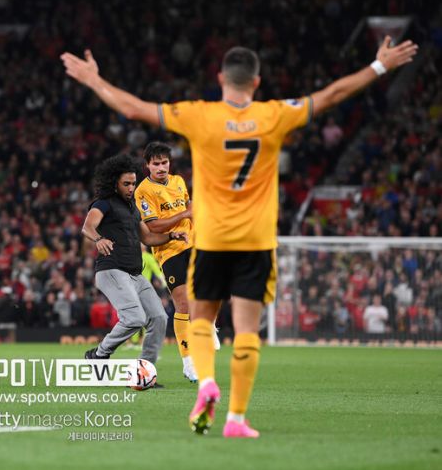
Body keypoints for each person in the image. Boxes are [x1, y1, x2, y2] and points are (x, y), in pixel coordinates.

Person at [62, 35, 417, 437]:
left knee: (199, 316)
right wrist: (380, 65)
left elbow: (132, 107)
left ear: (220, 78)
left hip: (210, 239)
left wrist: (93, 79)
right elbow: (333, 95)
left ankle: (206, 383)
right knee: (245, 329)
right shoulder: (274, 114)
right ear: (257, 82)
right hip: (255, 240)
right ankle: (236, 419)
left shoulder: (199, 115)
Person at [81, 154, 186, 369]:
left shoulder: (133, 208)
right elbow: (87, 226)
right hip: (112, 270)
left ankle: (145, 371)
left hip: (135, 274)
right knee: (135, 318)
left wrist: (170, 236)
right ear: (114, 183)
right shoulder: (104, 203)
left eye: (133, 183)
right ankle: (99, 354)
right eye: (126, 184)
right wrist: (99, 239)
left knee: (159, 318)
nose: (131, 188)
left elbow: (147, 238)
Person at [134, 141, 219, 384]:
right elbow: (152, 226)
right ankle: (189, 362)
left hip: (194, 243)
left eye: (164, 162)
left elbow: (190, 207)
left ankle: (209, 324)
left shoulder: (179, 181)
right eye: (156, 163)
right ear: (147, 165)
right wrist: (184, 215)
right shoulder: (143, 191)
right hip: (169, 251)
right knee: (183, 305)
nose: (161, 167)